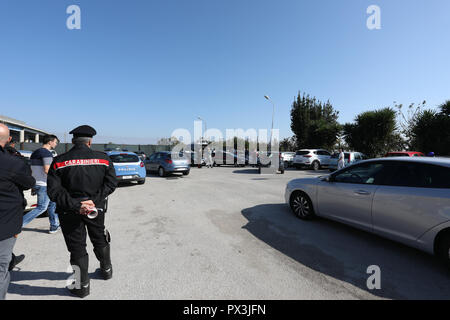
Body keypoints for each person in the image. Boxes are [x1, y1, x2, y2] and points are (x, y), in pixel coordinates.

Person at [47, 125, 118, 298]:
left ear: (73, 141)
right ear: (90, 141)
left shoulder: (59, 161)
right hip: (96, 208)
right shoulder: (103, 159)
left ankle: (82, 286)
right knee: (99, 237)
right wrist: (93, 200)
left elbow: (54, 191)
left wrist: (76, 205)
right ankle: (106, 270)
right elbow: (111, 184)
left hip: (69, 211)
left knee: (77, 247)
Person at [0, 124, 35, 300]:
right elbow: (28, 182)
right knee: (1, 269)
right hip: (4, 224)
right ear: (7, 140)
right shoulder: (11, 162)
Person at [22, 135, 60, 234]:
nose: (56, 144)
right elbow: (47, 170)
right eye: (55, 142)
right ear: (50, 142)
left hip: (37, 182)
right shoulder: (46, 153)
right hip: (44, 183)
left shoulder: (35, 152)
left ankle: (54, 225)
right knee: (42, 207)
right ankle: (19, 224)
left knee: (52, 204)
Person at [3, 140, 26, 271]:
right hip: (8, 208)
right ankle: (9, 260)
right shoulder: (12, 160)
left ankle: (10, 258)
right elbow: (28, 181)